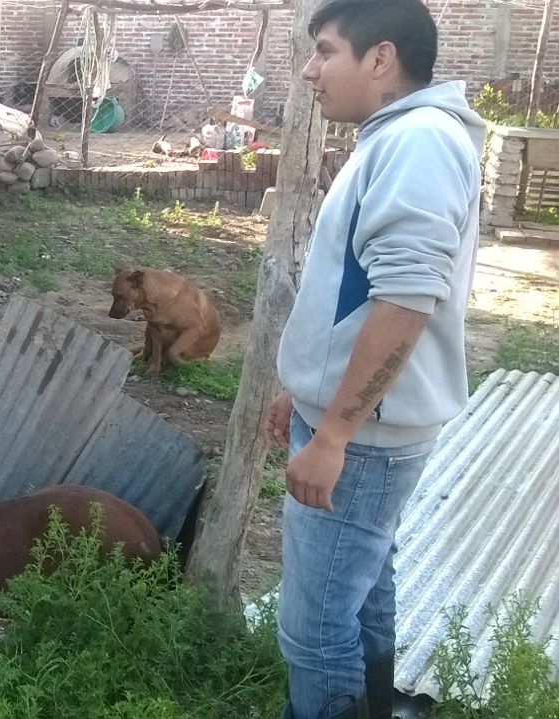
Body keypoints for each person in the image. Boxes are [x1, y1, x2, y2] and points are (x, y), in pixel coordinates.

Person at [261, 1, 486, 717]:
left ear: (380, 57)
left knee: (314, 626)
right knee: (361, 593)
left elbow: (406, 300)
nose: (310, 70)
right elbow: (357, 289)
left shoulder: (418, 143)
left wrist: (332, 434)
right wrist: (304, 387)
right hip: (360, 425)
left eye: (326, 50)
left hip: (361, 439)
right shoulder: (398, 136)